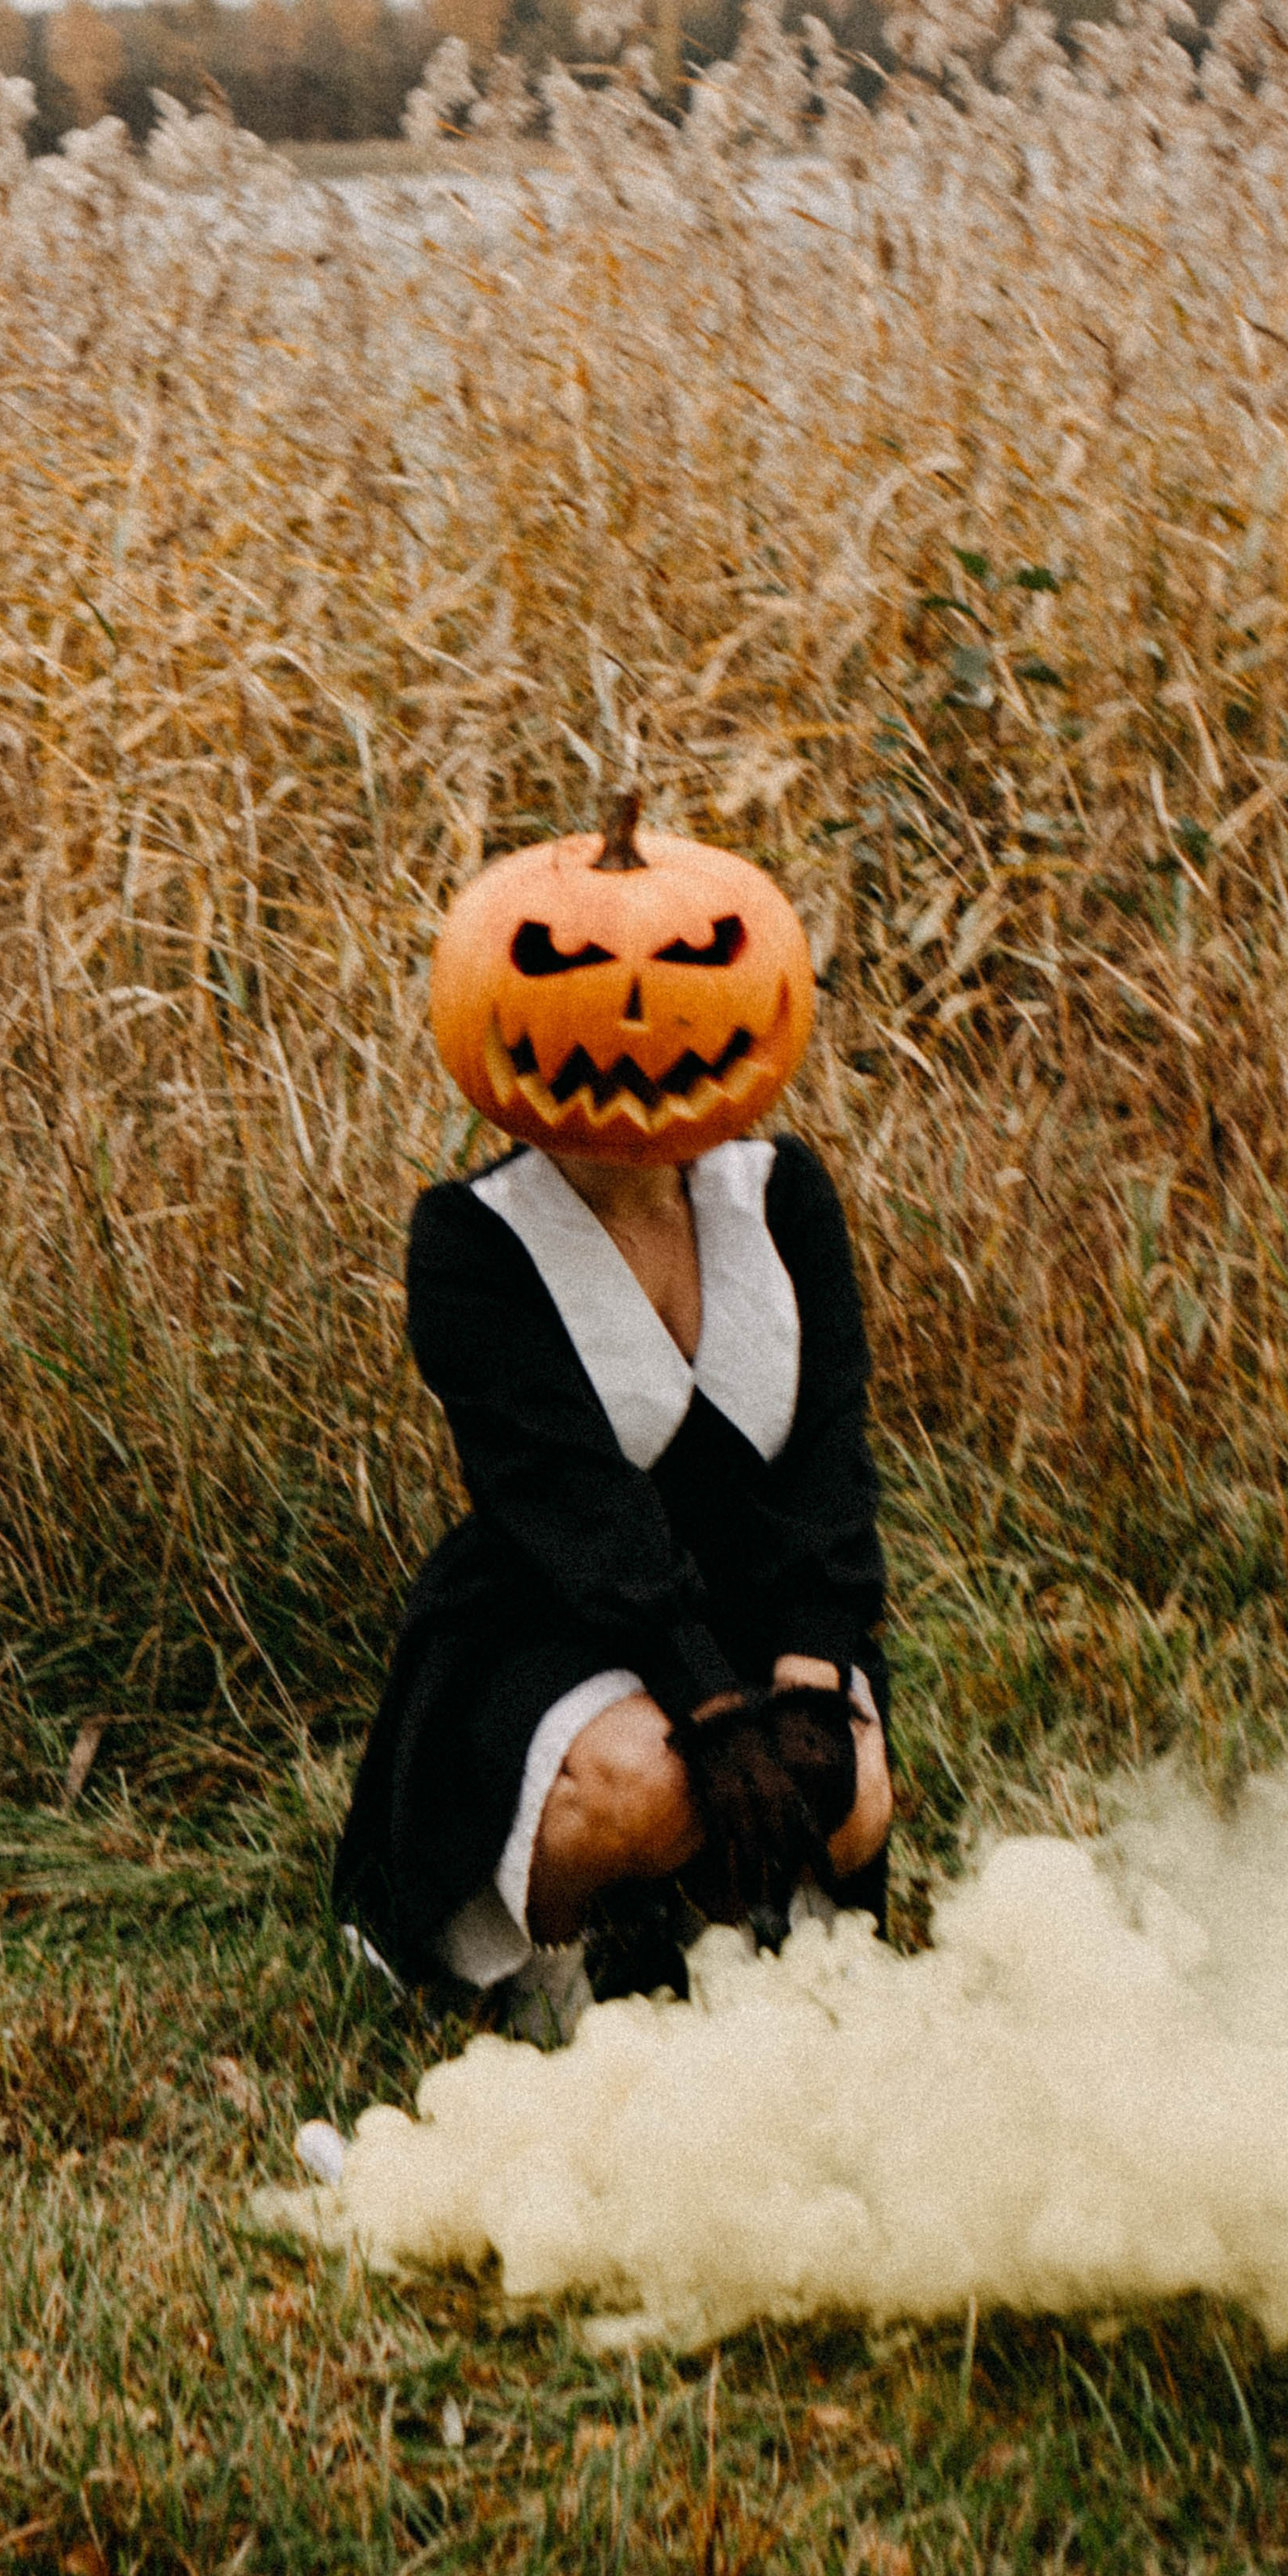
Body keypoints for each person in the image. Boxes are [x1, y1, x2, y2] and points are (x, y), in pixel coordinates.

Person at [333, 808, 892, 2038]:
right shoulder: (469, 1243)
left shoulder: (787, 1198)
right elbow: (570, 1507)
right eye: (572, 970)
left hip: (755, 1598)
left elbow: (830, 1463)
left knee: (849, 1796)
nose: (636, 1020)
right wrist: (717, 1713)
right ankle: (547, 1962)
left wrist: (807, 1681)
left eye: (691, 967)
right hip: (552, 1610)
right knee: (654, 1789)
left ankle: (721, 1933)